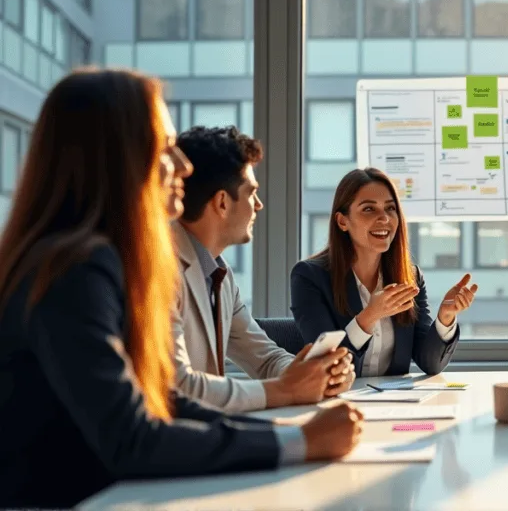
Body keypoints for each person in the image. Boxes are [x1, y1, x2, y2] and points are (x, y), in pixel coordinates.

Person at [0, 69, 363, 508]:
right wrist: (297, 442)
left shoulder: (101, 260)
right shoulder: (75, 269)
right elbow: (134, 436)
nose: (184, 167)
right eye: (165, 147)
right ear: (118, 157)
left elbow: (164, 402)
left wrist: (293, 434)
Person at [172, 126, 354, 413]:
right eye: (251, 193)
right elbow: (179, 387)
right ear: (222, 202)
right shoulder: (162, 270)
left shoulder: (219, 273)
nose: (259, 205)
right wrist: (287, 389)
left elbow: (266, 360)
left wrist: (313, 372)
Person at [290, 167, 477, 377]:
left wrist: (445, 318)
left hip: (391, 406)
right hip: (336, 404)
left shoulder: (410, 277)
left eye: (390, 209)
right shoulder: (309, 277)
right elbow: (327, 365)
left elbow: (429, 363)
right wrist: (370, 316)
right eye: (369, 209)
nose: (384, 219)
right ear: (343, 221)